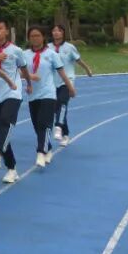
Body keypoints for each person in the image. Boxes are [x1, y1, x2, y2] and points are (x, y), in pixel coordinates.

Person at [25, 25, 74, 168]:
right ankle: (49, 148)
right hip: (33, 95)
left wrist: (70, 88)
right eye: (32, 36)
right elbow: (19, 72)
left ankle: (41, 152)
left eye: (37, 36)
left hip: (48, 94)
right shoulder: (24, 54)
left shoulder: (51, 54)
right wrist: (29, 78)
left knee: (45, 124)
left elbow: (62, 73)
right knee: (37, 126)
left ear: (43, 37)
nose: (35, 38)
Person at [0, 18, 26, 184]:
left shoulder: (16, 51)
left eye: (0, 28)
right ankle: (12, 168)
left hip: (12, 92)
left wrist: (30, 84)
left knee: (6, 121)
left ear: (6, 31)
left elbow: (24, 68)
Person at [50, 24, 93, 147]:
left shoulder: (70, 47)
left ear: (63, 33)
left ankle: (58, 127)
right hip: (52, 82)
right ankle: (66, 135)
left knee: (62, 103)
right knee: (57, 109)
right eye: (54, 30)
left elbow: (79, 60)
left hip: (67, 81)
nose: (56, 32)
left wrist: (87, 69)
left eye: (59, 30)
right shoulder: (48, 47)